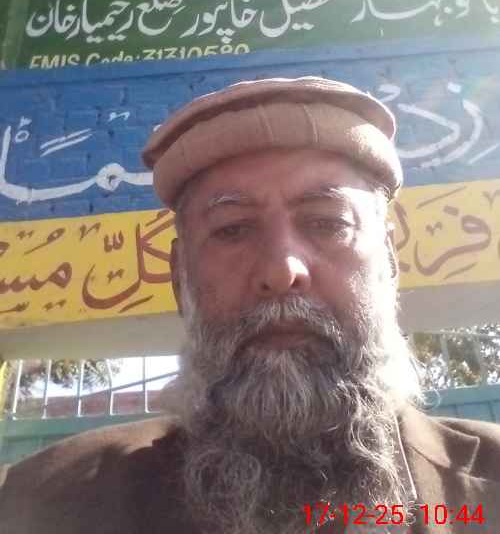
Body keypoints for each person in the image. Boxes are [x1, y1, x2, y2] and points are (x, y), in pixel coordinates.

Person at [1, 75, 499, 534]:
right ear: (179, 280)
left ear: (389, 263)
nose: (281, 271)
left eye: (327, 223)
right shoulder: (40, 506)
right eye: (232, 230)